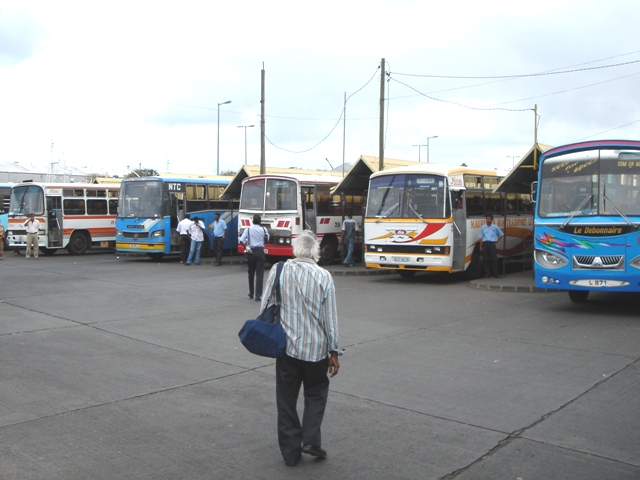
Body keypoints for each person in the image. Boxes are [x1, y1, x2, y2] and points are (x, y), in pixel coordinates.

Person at [261, 230, 340, 467]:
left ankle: (290, 453)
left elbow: (267, 304)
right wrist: (334, 351)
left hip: (286, 349)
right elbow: (331, 318)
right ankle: (311, 440)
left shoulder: (279, 270)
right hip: (316, 350)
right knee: (316, 392)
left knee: (286, 400)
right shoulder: (324, 276)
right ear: (315, 252)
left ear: (295, 250)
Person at [239, 214, 269, 301]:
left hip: (251, 252)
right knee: (260, 274)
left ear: (252, 221)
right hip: (260, 251)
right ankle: (258, 294)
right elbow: (267, 239)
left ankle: (251, 292)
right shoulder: (263, 229)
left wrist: (245, 247)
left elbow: (241, 240)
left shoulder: (248, 230)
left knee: (251, 273)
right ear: (260, 222)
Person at [478, 214, 504, 278]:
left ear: (492, 220)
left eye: (489, 219)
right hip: (485, 243)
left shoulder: (495, 227)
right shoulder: (483, 227)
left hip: (491, 243)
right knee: (485, 259)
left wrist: (497, 240)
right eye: (487, 219)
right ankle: (487, 274)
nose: (488, 220)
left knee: (494, 259)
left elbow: (501, 234)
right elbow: (481, 237)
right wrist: (480, 246)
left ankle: (496, 273)